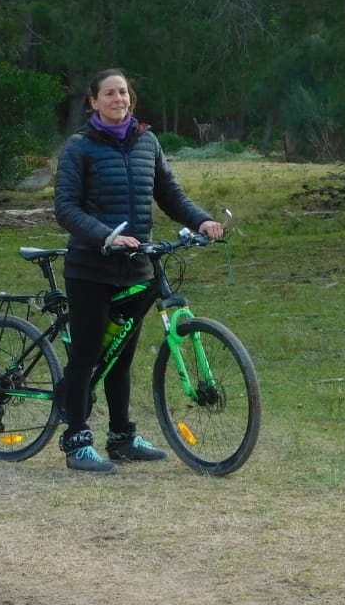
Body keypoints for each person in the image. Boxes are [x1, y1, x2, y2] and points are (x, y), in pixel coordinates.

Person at [53, 69, 225, 474]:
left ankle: (122, 437)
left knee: (122, 357)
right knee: (88, 353)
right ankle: (77, 441)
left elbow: (170, 193)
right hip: (91, 267)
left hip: (136, 267)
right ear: (93, 101)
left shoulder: (147, 141)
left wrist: (202, 221)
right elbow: (66, 208)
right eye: (110, 94)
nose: (120, 99)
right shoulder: (79, 147)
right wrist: (105, 237)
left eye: (124, 93)